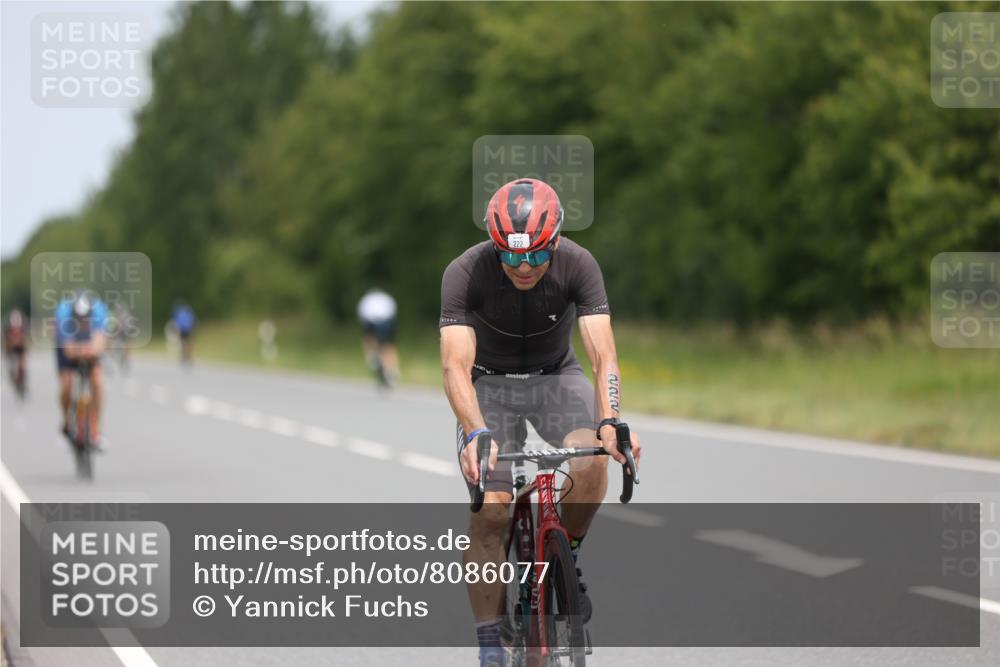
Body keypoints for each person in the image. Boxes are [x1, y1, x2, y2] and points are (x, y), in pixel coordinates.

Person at [439, 178, 642, 666]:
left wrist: (611, 419)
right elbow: (454, 366)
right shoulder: (465, 272)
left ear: (554, 243)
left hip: (557, 377)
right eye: (510, 257)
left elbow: (602, 354)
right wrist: (476, 431)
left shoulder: (579, 263)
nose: (523, 266)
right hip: (490, 386)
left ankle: (564, 554)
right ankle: (490, 646)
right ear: (495, 247)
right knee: (491, 509)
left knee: (593, 461)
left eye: (534, 255)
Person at [55, 291, 108, 444]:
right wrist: (85, 349)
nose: (82, 322)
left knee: (97, 381)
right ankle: (66, 420)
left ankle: (96, 426)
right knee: (66, 385)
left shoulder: (99, 312)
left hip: (86, 346)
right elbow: (68, 351)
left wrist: (87, 350)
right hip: (67, 348)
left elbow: (99, 345)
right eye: (78, 319)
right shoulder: (63, 314)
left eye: (85, 319)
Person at [357, 287, 399, 387]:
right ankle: (391, 369)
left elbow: (362, 316)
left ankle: (372, 358)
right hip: (386, 322)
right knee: (387, 345)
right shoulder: (386, 298)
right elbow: (393, 312)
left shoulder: (367, 299)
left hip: (371, 321)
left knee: (369, 339)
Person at [3, 308, 28, 394]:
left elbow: (24, 342)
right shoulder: (7, 326)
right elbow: (6, 344)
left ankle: (22, 377)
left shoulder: (23, 325)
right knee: (11, 363)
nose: (16, 331)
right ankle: (12, 374)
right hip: (10, 345)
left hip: (20, 346)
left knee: (22, 364)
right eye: (14, 330)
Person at [171, 300, 197, 365]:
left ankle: (183, 358)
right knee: (189, 343)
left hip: (182, 330)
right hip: (189, 329)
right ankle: (189, 358)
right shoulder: (188, 312)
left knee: (183, 344)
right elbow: (193, 320)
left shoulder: (178, 313)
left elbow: (176, 323)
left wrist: (177, 331)